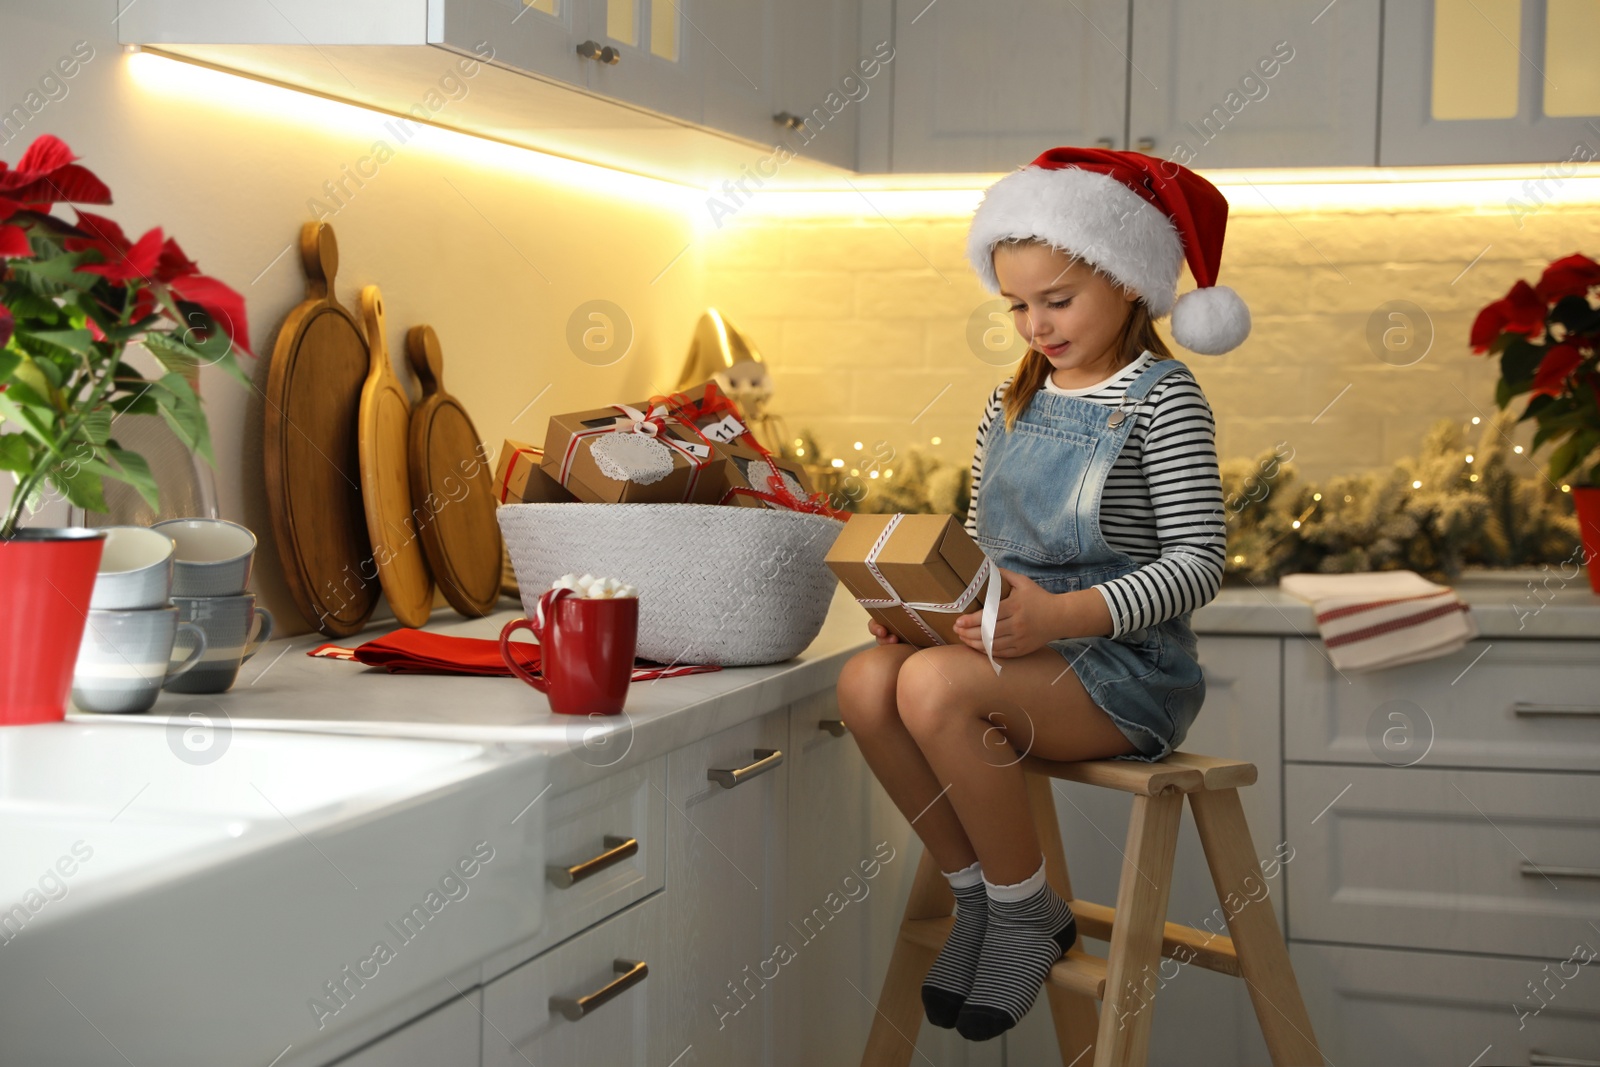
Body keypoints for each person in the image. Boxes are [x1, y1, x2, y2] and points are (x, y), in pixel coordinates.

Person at [836, 146, 1246, 1042]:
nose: (1034, 324)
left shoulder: (1165, 399)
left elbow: (1199, 562)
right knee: (868, 680)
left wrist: (1060, 614)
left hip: (1126, 668)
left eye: (1056, 301)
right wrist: (924, 606)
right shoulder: (1011, 399)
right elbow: (987, 547)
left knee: (932, 685)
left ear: (1129, 283)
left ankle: (1028, 911)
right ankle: (982, 894)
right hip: (1016, 650)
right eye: (1017, 305)